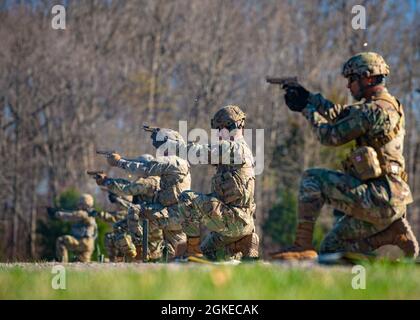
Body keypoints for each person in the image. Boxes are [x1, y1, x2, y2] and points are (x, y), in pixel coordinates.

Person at [272, 52, 419, 260]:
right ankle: (391, 234)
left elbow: (329, 136)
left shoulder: (371, 111)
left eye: (352, 79)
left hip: (378, 197)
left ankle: (301, 245)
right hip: (391, 201)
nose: (348, 86)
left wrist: (306, 109)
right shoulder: (388, 105)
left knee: (312, 178)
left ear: (367, 78)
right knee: (331, 249)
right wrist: (308, 97)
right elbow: (341, 114)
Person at [55, 194, 98, 262]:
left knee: (61, 241)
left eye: (80, 204)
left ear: (85, 204)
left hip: (81, 242)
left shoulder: (85, 213)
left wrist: (59, 214)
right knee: (82, 263)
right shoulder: (91, 213)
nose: (78, 206)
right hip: (89, 244)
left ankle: (63, 263)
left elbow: (73, 215)